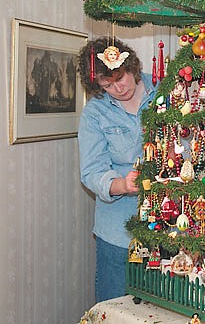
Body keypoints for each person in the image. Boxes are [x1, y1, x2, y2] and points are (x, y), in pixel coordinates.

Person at [76, 37, 156, 302]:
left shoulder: (164, 90)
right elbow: (91, 171)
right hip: (118, 233)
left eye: (119, 78)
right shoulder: (95, 112)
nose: (118, 88)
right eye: (106, 85)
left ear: (131, 65)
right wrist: (122, 185)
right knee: (114, 307)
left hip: (169, 226)